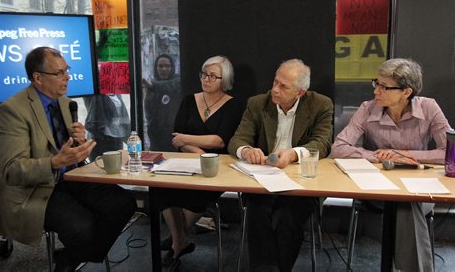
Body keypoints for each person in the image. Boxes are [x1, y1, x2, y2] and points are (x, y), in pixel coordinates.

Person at [0, 47, 136, 272]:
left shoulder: (64, 102)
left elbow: (64, 148)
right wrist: (55, 162)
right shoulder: (12, 111)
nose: (68, 77)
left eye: (67, 70)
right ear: (38, 77)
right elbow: (11, 170)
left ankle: (68, 258)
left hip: (71, 177)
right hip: (35, 187)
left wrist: (80, 142)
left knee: (124, 204)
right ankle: (73, 257)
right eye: (59, 73)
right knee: (83, 227)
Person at [331, 58, 451, 271]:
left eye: (384, 87)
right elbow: (339, 147)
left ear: (406, 92)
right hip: (376, 188)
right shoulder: (367, 109)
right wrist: (380, 157)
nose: (377, 90)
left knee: (407, 201)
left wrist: (404, 154)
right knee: (404, 202)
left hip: (419, 189)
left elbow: (449, 154)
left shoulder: (429, 108)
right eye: (376, 83)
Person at [227, 59, 333, 271]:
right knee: (258, 211)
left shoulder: (321, 105)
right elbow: (236, 141)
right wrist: (247, 150)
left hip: (300, 182)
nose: (274, 89)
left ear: (300, 92)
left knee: (288, 216)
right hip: (263, 179)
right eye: (275, 82)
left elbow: (322, 144)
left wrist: (293, 154)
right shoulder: (257, 103)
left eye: (283, 86)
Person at [157, 55, 244, 269]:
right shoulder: (189, 100)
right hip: (186, 162)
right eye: (204, 74)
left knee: (195, 197)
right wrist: (197, 151)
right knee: (163, 192)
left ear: (225, 80)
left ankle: (177, 242)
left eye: (213, 76)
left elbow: (219, 140)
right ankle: (180, 241)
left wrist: (187, 140)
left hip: (216, 169)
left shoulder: (234, 105)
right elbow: (176, 137)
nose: (206, 79)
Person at [143, 54, 181, 151]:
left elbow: (168, 86)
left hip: (174, 139)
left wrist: (152, 86)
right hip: (156, 140)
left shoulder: (177, 82)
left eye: (167, 66)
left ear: (172, 67)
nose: (164, 69)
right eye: (160, 66)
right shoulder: (152, 87)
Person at [84, 93, 131, 161]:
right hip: (100, 138)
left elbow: (122, 115)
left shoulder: (116, 93)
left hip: (117, 138)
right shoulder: (95, 95)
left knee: (117, 165)